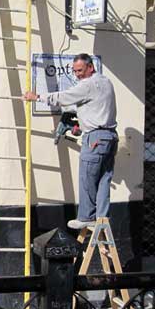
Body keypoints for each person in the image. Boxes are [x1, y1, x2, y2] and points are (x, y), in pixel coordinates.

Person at [23, 53, 118, 229]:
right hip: (110, 137)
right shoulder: (106, 82)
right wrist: (81, 125)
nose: (77, 74)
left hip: (95, 138)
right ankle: (102, 217)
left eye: (80, 70)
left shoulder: (88, 85)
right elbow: (97, 110)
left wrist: (37, 97)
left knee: (87, 178)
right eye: (74, 71)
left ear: (90, 67)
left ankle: (86, 216)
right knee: (104, 179)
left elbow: (64, 97)